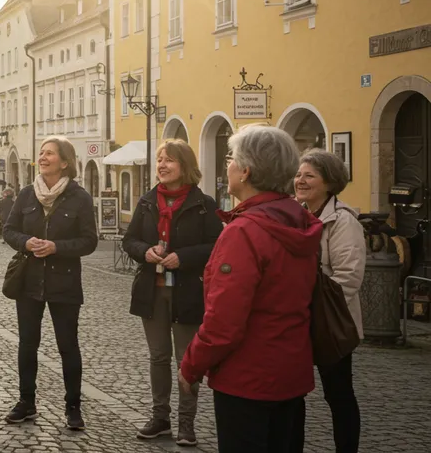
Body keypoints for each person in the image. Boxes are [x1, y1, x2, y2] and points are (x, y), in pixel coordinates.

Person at [179, 125, 322, 453]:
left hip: (247, 379)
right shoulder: (297, 220)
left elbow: (224, 322)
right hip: (291, 371)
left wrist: (192, 365)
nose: (227, 164)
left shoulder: (245, 232)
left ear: (245, 171)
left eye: (231, 158)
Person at [121, 140, 222, 447]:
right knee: (158, 356)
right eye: (160, 160)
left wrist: (185, 257)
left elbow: (217, 246)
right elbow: (130, 240)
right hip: (152, 290)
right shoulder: (148, 201)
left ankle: (186, 423)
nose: (162, 165)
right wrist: (145, 251)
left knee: (186, 359)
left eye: (169, 161)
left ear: (185, 166)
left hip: (188, 291)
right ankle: (160, 418)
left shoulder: (203, 203)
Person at [2, 136, 97, 431]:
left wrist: (57, 247)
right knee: (27, 344)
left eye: (50, 154)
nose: (42, 158)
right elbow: (9, 230)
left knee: (68, 346)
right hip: (28, 280)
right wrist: (26, 242)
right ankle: (26, 402)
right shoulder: (28, 193)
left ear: (64, 162)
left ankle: (73, 407)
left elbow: (89, 241)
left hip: (64, 282)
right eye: (41, 153)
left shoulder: (79, 197)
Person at [295, 148, 366, 453]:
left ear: (329, 182)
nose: (300, 180)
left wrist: (311, 303)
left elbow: (348, 278)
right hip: (298, 318)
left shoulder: (343, 222)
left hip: (330, 322)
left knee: (337, 393)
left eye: (309, 175)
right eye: (298, 174)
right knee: (292, 390)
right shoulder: (297, 215)